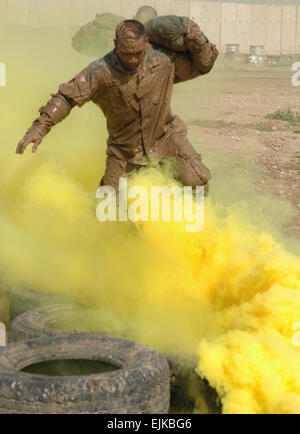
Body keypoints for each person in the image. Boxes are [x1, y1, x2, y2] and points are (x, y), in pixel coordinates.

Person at [16, 19, 218, 195]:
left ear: (146, 43)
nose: (132, 59)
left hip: (167, 138)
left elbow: (202, 65)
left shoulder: (164, 61)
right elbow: (66, 98)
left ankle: (192, 234)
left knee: (196, 181)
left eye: (137, 53)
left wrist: (198, 40)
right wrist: (39, 127)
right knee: (110, 205)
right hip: (124, 151)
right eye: (125, 53)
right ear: (115, 44)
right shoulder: (100, 72)